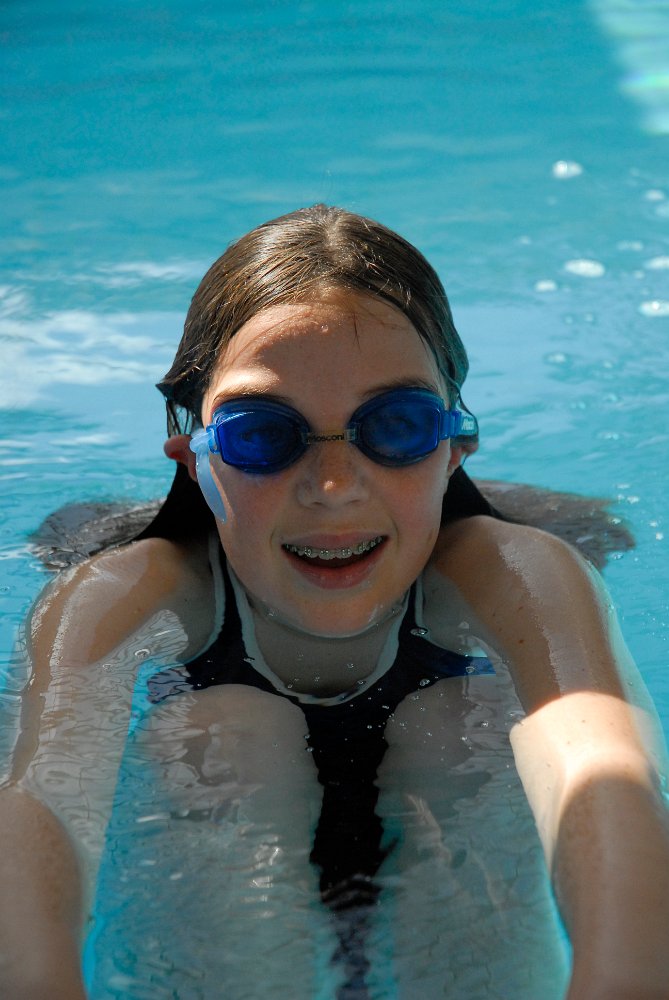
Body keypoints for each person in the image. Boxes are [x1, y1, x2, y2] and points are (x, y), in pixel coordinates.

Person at [1, 204, 668, 1000]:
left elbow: (600, 770)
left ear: (454, 446)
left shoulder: (517, 572)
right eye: (262, 434)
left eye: (396, 426)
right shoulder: (123, 590)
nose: (332, 487)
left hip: (454, 860)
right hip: (222, 868)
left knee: (459, 724)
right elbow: (39, 802)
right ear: (193, 458)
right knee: (222, 734)